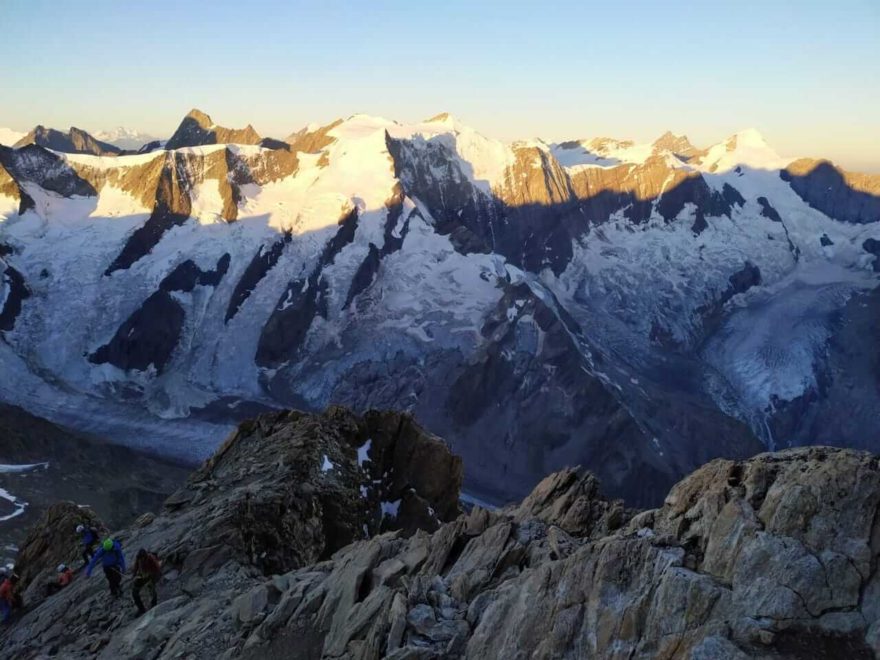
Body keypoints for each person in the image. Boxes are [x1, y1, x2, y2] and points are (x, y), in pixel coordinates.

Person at [131, 549, 162, 615]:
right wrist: (134, 576)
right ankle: (141, 609)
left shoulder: (151, 558)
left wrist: (153, 578)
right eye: (140, 558)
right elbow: (136, 567)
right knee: (134, 592)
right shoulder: (138, 558)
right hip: (142, 576)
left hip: (151, 575)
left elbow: (157, 569)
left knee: (152, 589)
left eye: (142, 558)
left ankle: (154, 605)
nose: (141, 559)